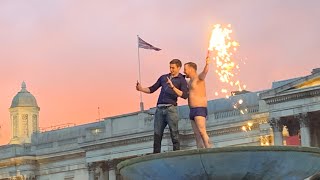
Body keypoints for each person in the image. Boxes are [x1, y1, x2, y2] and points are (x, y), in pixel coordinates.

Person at [136, 59, 188, 153]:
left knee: (174, 133)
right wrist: (141, 89)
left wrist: (172, 87)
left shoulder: (182, 80)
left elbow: (184, 95)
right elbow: (152, 89)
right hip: (160, 109)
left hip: (171, 109)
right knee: (157, 134)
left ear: (178, 68)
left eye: (173, 68)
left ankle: (176, 153)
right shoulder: (163, 77)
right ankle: (156, 154)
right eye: (170, 67)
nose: (171, 70)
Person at [183, 57, 213, 148]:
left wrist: (207, 64)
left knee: (202, 131)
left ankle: (209, 150)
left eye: (185, 69)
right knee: (196, 135)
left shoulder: (199, 78)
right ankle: (200, 152)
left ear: (191, 69)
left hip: (199, 108)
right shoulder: (189, 81)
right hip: (192, 110)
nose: (184, 71)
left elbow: (205, 72)